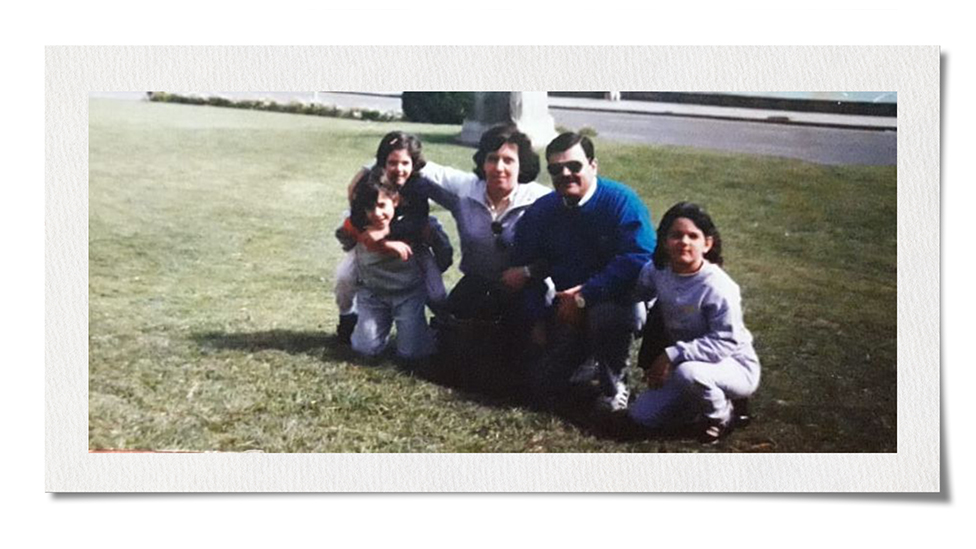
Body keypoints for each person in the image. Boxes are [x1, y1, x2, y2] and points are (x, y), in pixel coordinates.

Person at [502, 132, 656, 412]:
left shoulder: (621, 200)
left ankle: (615, 384)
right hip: (566, 307)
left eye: (574, 166)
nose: (565, 174)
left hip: (616, 298)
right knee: (542, 384)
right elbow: (524, 263)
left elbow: (640, 257)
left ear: (593, 166)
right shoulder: (543, 210)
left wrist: (586, 293)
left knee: (608, 314)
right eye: (556, 169)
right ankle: (591, 361)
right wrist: (536, 316)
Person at [628, 202, 760, 443]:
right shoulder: (657, 270)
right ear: (665, 241)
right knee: (642, 416)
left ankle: (722, 416)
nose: (684, 242)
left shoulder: (718, 286)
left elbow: (725, 341)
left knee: (691, 374)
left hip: (732, 364)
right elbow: (637, 294)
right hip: (686, 363)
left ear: (707, 243)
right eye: (676, 235)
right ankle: (701, 402)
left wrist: (671, 354)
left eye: (693, 236)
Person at [334, 131, 452, 344]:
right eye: (392, 163)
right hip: (370, 235)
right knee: (344, 276)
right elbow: (358, 211)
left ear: (414, 163)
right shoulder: (372, 181)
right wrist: (373, 236)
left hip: (411, 236)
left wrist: (386, 234)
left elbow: (418, 222)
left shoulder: (418, 185)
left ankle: (444, 322)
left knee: (436, 292)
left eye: (405, 163)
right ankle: (347, 318)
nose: (399, 169)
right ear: (382, 163)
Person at [339, 169, 434, 362]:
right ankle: (362, 323)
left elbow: (432, 236)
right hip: (373, 294)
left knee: (412, 355)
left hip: (407, 295)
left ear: (395, 201)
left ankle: (433, 330)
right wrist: (384, 244)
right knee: (364, 349)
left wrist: (442, 253)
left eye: (382, 205)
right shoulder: (359, 223)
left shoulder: (410, 223)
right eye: (370, 208)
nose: (377, 214)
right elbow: (344, 233)